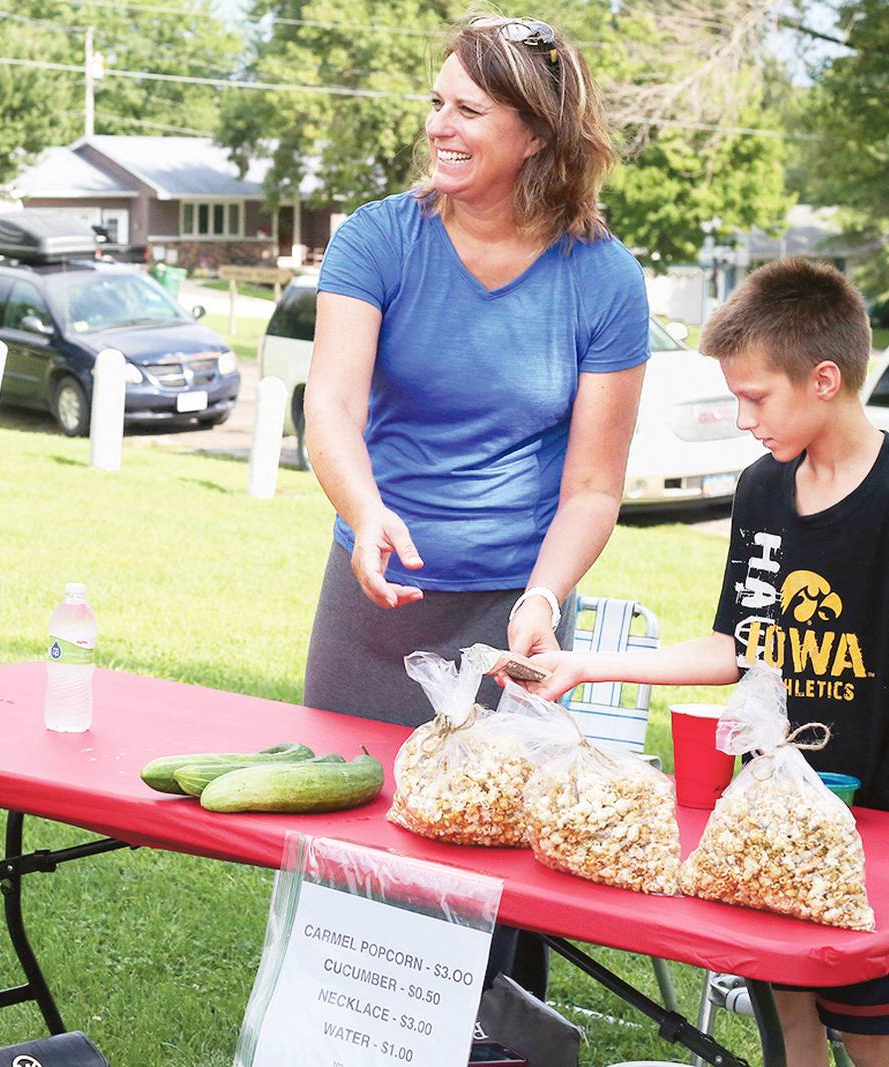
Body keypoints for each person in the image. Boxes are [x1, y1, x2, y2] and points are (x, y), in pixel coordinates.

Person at [522, 257, 889, 1067]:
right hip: (771, 827)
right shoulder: (762, 491)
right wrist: (588, 666)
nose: (744, 419)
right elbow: (738, 646)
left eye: (756, 397)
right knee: (789, 1030)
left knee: (876, 1044)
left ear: (825, 379)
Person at [301, 13, 649, 996]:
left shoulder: (603, 280)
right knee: (350, 848)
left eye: (469, 110)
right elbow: (329, 403)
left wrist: (543, 594)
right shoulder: (379, 238)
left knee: (489, 867)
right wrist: (364, 510)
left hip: (513, 611)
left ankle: (493, 1039)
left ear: (535, 134)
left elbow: (590, 484)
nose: (440, 126)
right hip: (375, 600)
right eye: (436, 103)